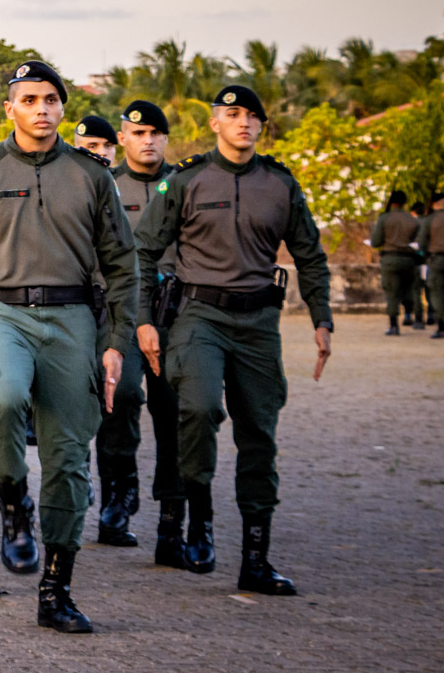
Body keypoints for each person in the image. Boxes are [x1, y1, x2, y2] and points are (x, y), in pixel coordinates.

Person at [0, 60, 137, 633]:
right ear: (10, 108)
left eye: (51, 99)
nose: (42, 109)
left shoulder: (91, 175)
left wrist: (116, 340)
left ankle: (56, 589)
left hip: (72, 318)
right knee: (4, 396)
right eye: (30, 99)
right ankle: (13, 496)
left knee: (68, 459)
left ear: (62, 107)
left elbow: (122, 265)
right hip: (0, 311)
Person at [133, 83, 333, 596]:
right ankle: (198, 516)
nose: (243, 122)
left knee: (259, 434)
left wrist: (322, 318)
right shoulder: (186, 180)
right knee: (198, 410)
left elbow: (310, 255)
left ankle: (256, 559)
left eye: (252, 115)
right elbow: (143, 252)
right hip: (197, 315)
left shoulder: (280, 184)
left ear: (262, 126)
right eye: (233, 113)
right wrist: (143, 319)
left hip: (259, 322)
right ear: (215, 123)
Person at [96, 100, 181, 551]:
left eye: (155, 133)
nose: (147, 141)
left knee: (175, 413)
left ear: (166, 138)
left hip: (176, 315)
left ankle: (171, 518)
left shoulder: (185, 183)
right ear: (122, 139)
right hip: (120, 314)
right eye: (138, 133)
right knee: (121, 396)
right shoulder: (105, 185)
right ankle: (118, 495)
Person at [369, 190, 421, 335]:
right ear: (405, 202)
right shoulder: (413, 220)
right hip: (409, 259)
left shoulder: (384, 218)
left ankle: (393, 325)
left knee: (392, 291)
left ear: (392, 202)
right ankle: (408, 314)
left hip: (390, 259)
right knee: (408, 288)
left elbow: (376, 241)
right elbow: (419, 241)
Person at [424, 190, 444, 339]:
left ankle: (441, 326)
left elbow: (421, 241)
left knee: (437, 293)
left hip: (437, 259)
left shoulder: (430, 219)